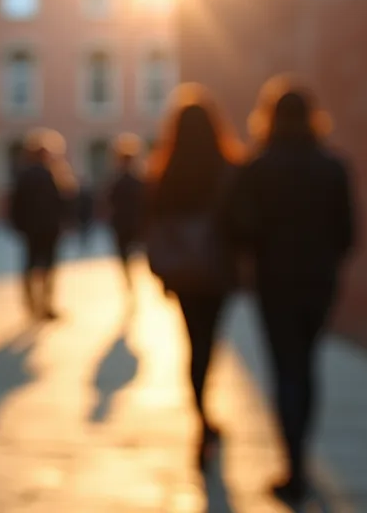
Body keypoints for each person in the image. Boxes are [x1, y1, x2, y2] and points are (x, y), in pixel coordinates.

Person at [233, 76, 355, 504]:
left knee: (285, 367)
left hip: (274, 279)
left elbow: (242, 229)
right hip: (319, 279)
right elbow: (348, 233)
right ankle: (301, 457)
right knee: (306, 365)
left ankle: (294, 464)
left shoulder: (257, 166)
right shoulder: (333, 165)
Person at [145, 84, 243, 471]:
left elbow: (151, 222)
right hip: (216, 270)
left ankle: (201, 417)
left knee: (193, 343)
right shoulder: (227, 169)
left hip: (183, 272)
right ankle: (205, 419)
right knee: (209, 344)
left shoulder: (166, 171)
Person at [9, 129, 71, 321]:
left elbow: (15, 203)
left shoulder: (24, 174)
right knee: (47, 266)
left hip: (33, 229)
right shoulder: (53, 174)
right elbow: (64, 201)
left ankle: (32, 304)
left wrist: (19, 226)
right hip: (48, 228)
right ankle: (44, 304)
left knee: (31, 264)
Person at [104, 133, 146, 295]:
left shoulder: (116, 180)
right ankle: (132, 283)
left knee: (125, 257)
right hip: (135, 223)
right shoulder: (138, 179)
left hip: (122, 223)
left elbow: (109, 202)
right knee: (137, 255)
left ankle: (130, 283)